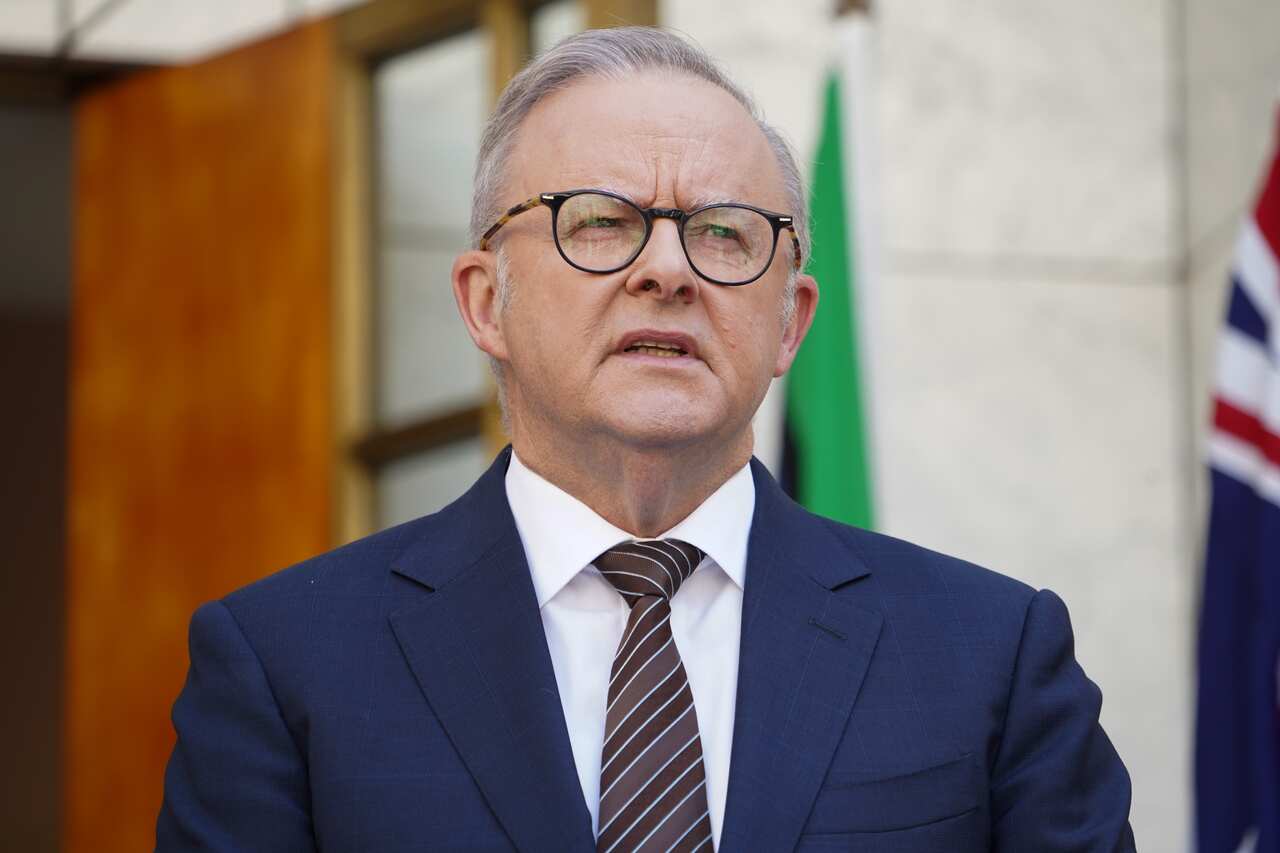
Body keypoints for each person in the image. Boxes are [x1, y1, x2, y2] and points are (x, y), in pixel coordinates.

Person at [156, 26, 1136, 853]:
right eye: (599, 220)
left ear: (790, 321)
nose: (666, 269)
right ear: (484, 300)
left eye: (721, 233)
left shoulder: (988, 652)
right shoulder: (287, 666)